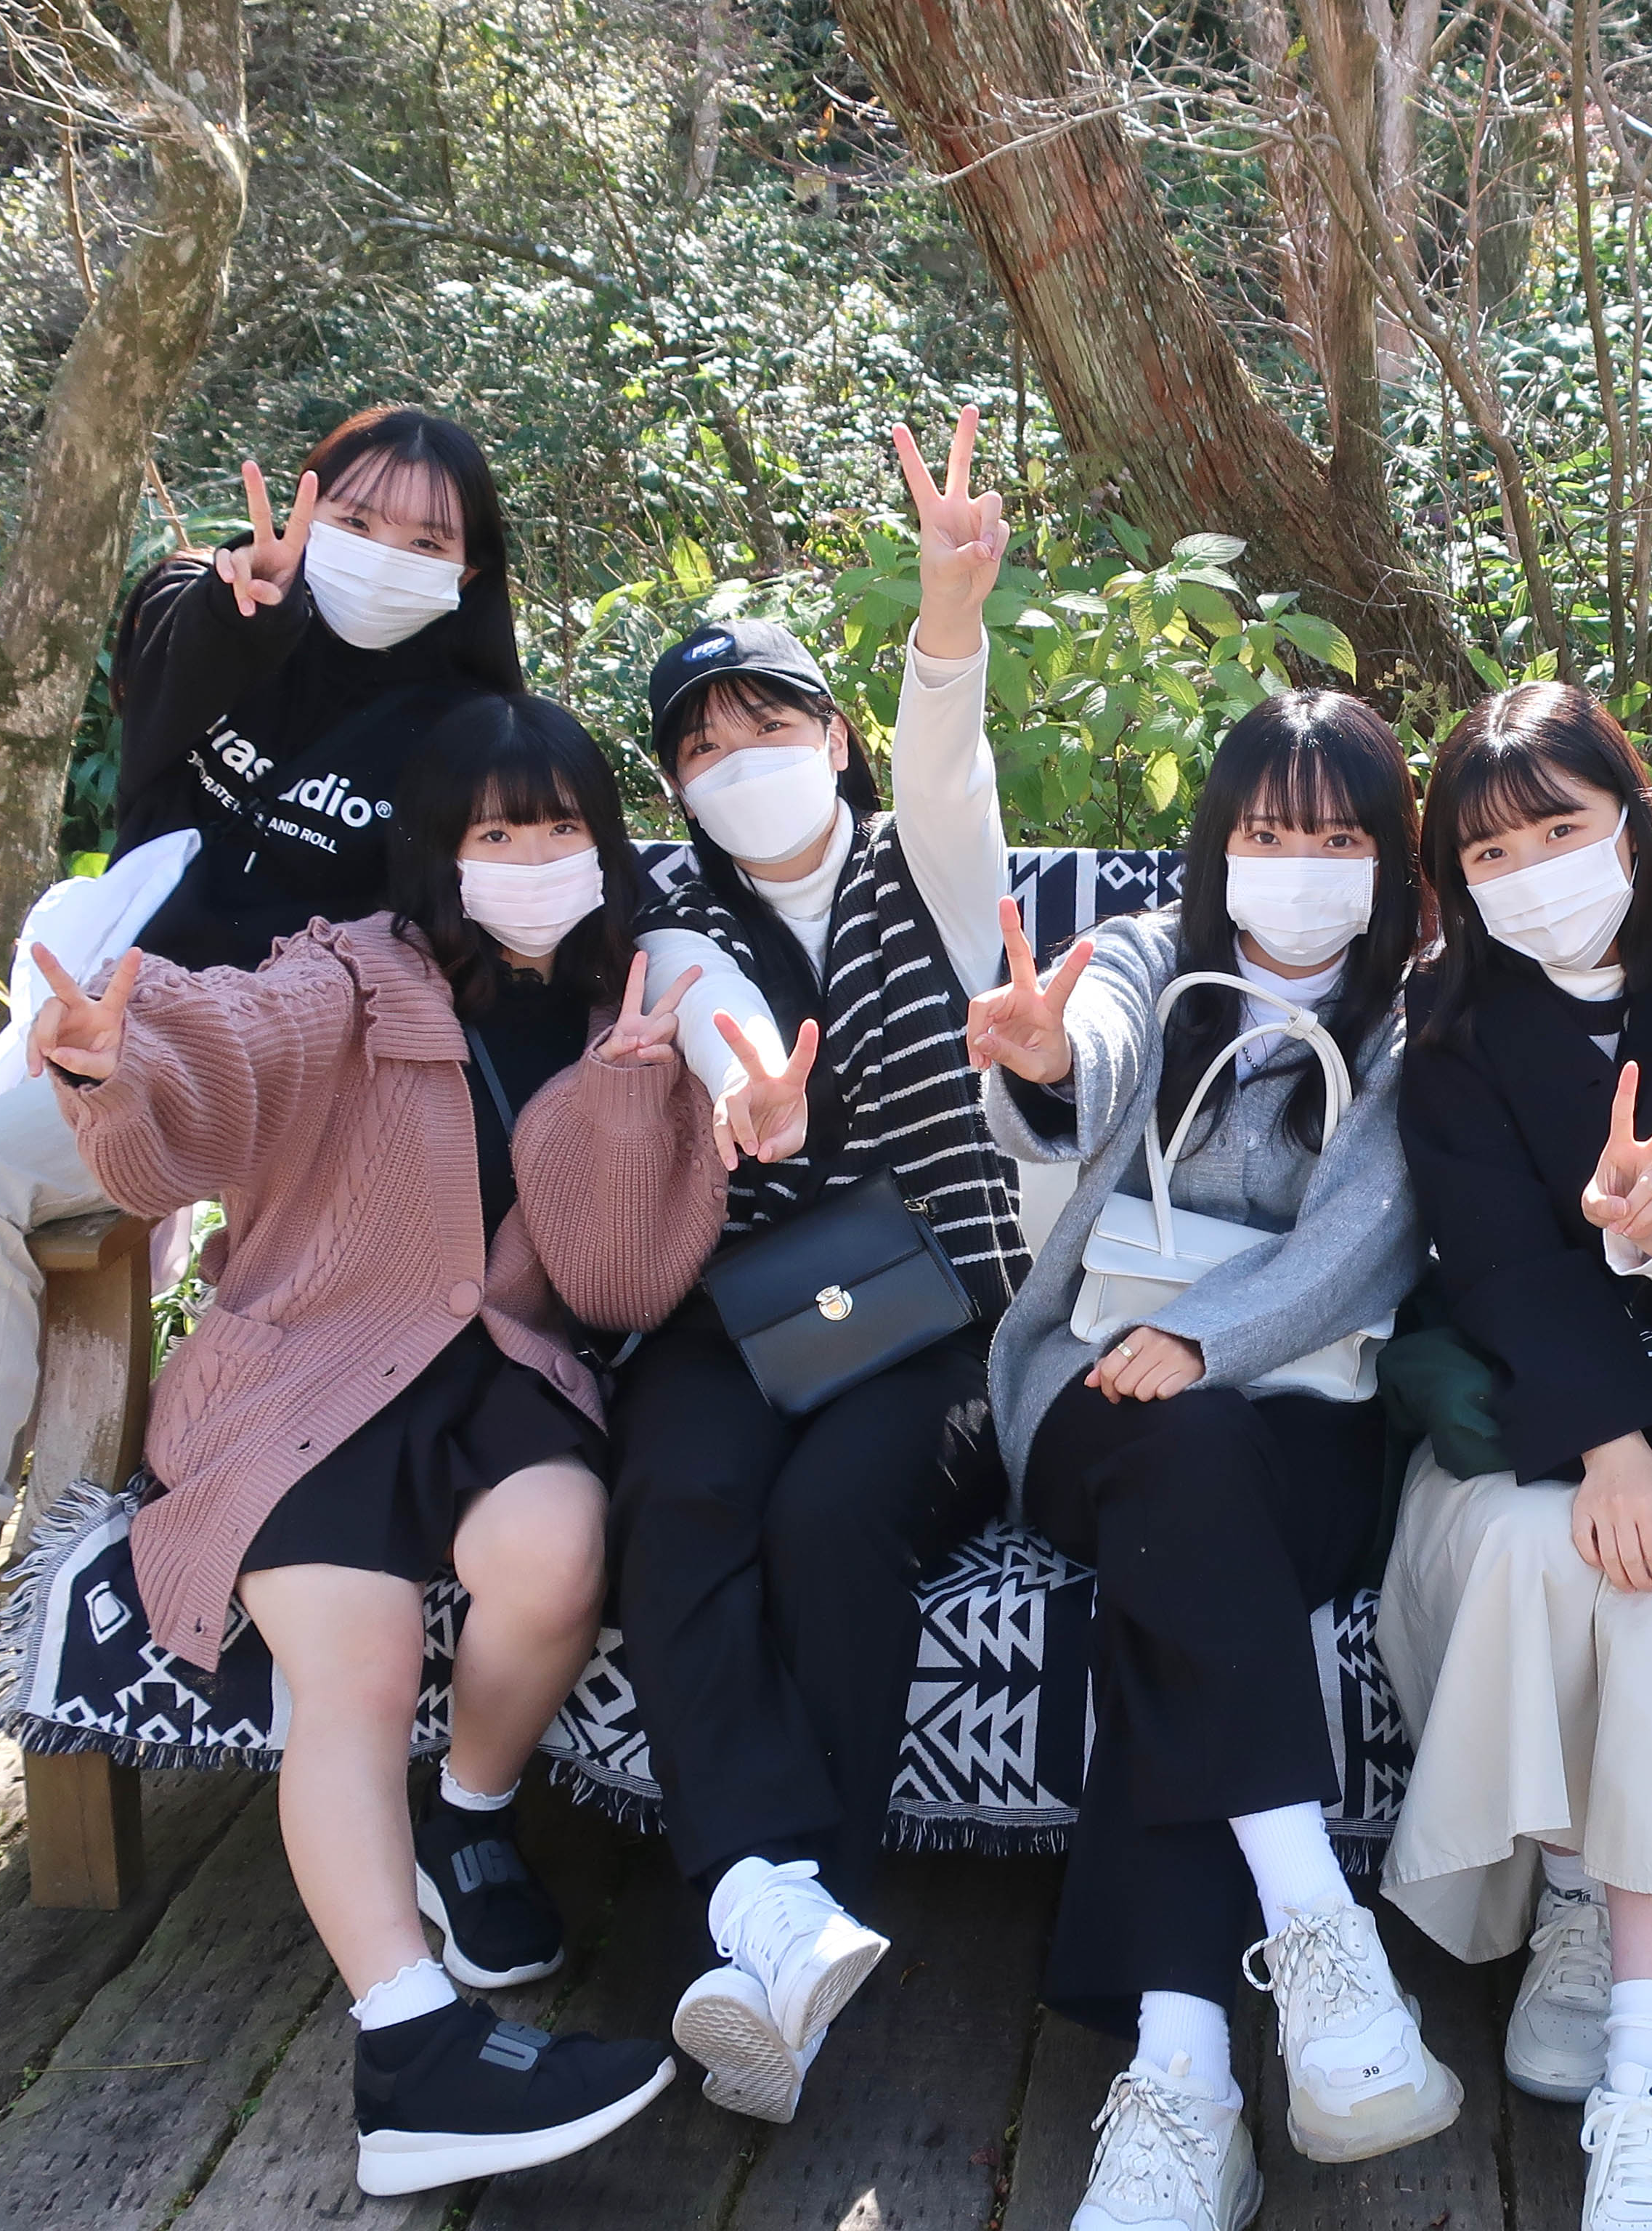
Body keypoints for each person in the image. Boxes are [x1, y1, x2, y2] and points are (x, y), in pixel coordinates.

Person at [0, 408, 762, 1874]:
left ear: (474, 571)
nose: (382, 557)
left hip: (293, 1088)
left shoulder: (456, 732)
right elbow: (161, 693)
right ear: (299, 513)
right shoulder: (217, 627)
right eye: (355, 522)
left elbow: (528, 915)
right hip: (136, 1048)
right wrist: (237, 619)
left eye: (429, 540)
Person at [14, 692, 723, 2193]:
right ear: (436, 850)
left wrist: (625, 1094)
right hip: (308, 1370)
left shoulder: (631, 1005)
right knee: (360, 1662)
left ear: (606, 844)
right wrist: (117, 1056)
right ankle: (410, 2046)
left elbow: (615, 1287)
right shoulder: (347, 976)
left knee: (557, 1555)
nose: (532, 860)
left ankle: (470, 1817)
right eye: (495, 834)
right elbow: (228, 1044)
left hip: (500, 1372)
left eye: (562, 828)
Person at [967, 693, 1454, 2231]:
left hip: (1303, 1423)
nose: (1299, 865)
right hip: (1088, 1405)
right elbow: (1090, 1054)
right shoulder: (1142, 958)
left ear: (1392, 858)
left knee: (1177, 1583)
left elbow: (1369, 1237)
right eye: (1267, 832)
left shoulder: (1417, 1015)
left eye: (1338, 837)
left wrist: (1203, 1340)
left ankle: (1186, 2082)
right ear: (1217, 844)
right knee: (1179, 1475)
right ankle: (1318, 1929)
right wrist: (1049, 1060)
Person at [607, 408, 1028, 2127]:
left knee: (833, 1514)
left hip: (935, 1314)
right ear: (675, 791)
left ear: (836, 739)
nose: (739, 761)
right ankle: (767, 1911)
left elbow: (951, 771)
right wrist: (744, 1100)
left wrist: (949, 621)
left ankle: (800, 1914)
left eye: (769, 724)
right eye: (701, 747)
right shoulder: (671, 923)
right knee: (681, 1487)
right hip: (749, 1307)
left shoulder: (931, 873)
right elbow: (703, 1008)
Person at [1374, 681, 1652, 2231]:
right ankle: (1575, 1887)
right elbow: (1495, 1257)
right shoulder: (1451, 1014)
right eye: (1489, 852)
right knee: (1542, 1547)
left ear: (1632, 819)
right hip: (1533, 1397)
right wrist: (1608, 1442)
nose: (1531, 874)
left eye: (1560, 830)